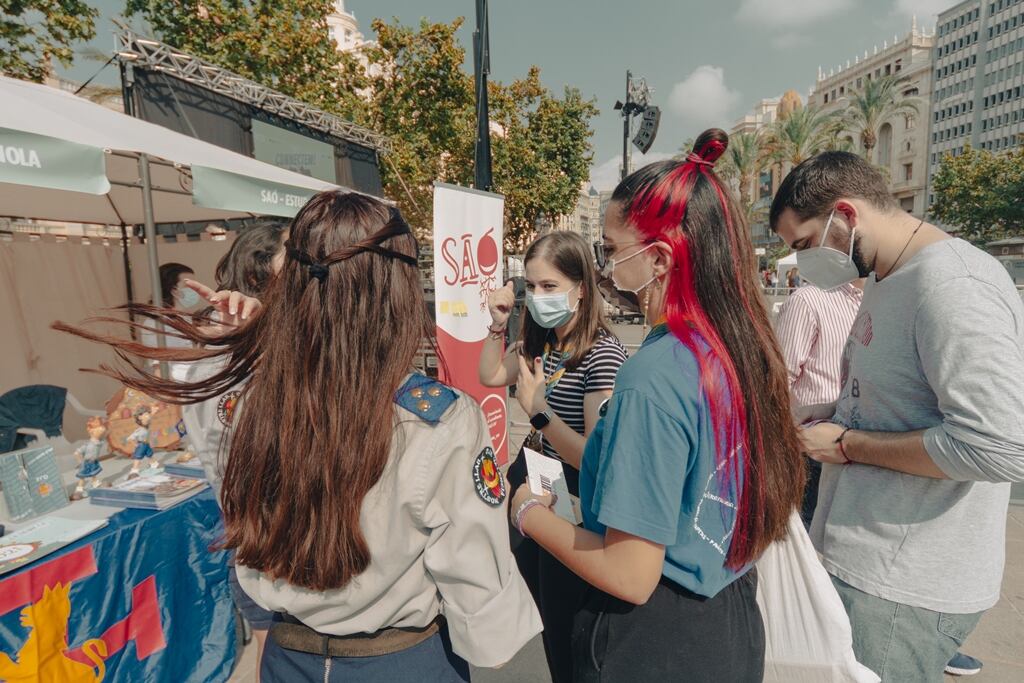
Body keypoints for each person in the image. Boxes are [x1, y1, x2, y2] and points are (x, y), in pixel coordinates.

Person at [56, 191, 541, 682]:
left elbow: (219, 471)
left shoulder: (247, 400)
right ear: (396, 289)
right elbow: (476, 584)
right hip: (401, 661)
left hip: (289, 658)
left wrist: (246, 346)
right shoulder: (442, 418)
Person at [509, 130, 805, 682]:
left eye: (613, 251)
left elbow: (629, 572)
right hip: (729, 613)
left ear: (661, 258)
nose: (608, 268)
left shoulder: (653, 374)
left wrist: (529, 513)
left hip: (655, 639)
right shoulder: (741, 347)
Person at [770, 151, 1024, 682]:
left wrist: (847, 445)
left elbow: (999, 447)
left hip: (902, 586)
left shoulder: (955, 286)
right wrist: (822, 416)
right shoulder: (886, 278)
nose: (804, 261)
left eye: (804, 243)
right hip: (862, 564)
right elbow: (882, 399)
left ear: (845, 214)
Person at [479, 231, 627, 683]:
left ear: (581, 287)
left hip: (572, 501)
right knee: (544, 610)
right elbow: (489, 373)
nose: (538, 297)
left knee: (567, 625)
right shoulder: (539, 342)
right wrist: (496, 323)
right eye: (531, 286)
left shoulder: (602, 356)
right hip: (533, 486)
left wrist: (538, 411)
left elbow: (593, 459)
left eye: (549, 286)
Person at [182, 219, 288, 678]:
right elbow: (226, 446)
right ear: (262, 271)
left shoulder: (280, 333)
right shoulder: (222, 343)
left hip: (285, 537)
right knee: (277, 656)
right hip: (269, 539)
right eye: (294, 255)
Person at [774, 277, 865, 528]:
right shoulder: (808, 300)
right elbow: (778, 379)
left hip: (860, 448)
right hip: (810, 449)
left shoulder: (885, 299)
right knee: (805, 538)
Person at [140, 262, 197, 379]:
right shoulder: (155, 323)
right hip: (177, 388)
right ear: (174, 290)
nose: (195, 290)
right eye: (190, 287)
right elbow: (159, 367)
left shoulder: (186, 318)